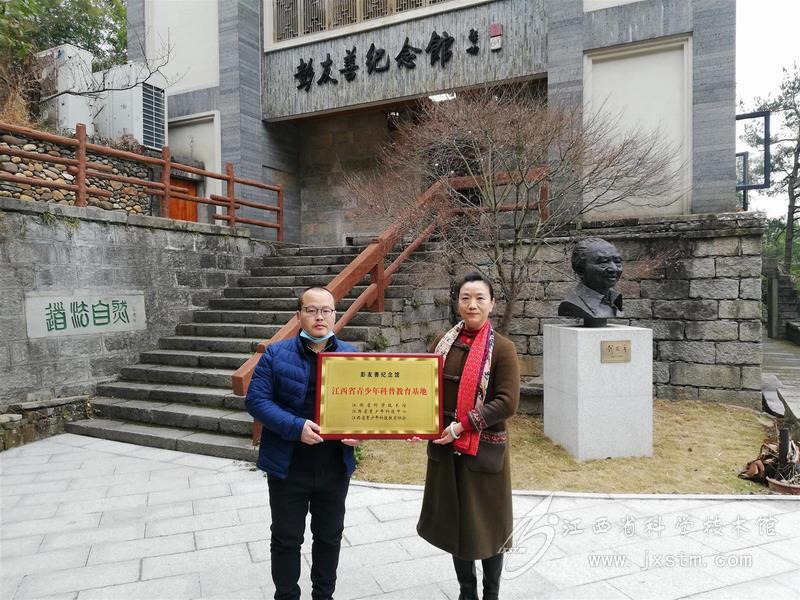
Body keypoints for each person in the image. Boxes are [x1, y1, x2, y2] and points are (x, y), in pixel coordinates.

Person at [246, 285, 360, 600]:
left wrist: (360, 433)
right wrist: (295, 427)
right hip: (288, 464)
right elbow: (256, 400)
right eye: (311, 310)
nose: (319, 316)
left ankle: (324, 595)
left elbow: (366, 407)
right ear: (299, 316)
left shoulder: (353, 356)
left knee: (329, 536)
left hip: (334, 465)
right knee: (286, 538)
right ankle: (286, 595)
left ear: (334, 315)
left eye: (326, 310)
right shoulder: (275, 354)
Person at [416, 272, 520, 600]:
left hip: (482, 453)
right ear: (457, 303)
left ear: (492, 303)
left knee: (488, 528)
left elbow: (507, 403)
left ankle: (491, 594)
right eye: (465, 298)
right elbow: (423, 390)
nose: (472, 304)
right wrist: (416, 424)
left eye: (479, 298)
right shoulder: (442, 343)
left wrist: (462, 426)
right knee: (455, 526)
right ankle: (467, 592)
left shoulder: (503, 349)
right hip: (446, 451)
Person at [558, 237, 624, 324]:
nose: (614, 269)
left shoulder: (615, 300)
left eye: (617, 262)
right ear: (580, 269)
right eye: (603, 262)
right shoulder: (572, 303)